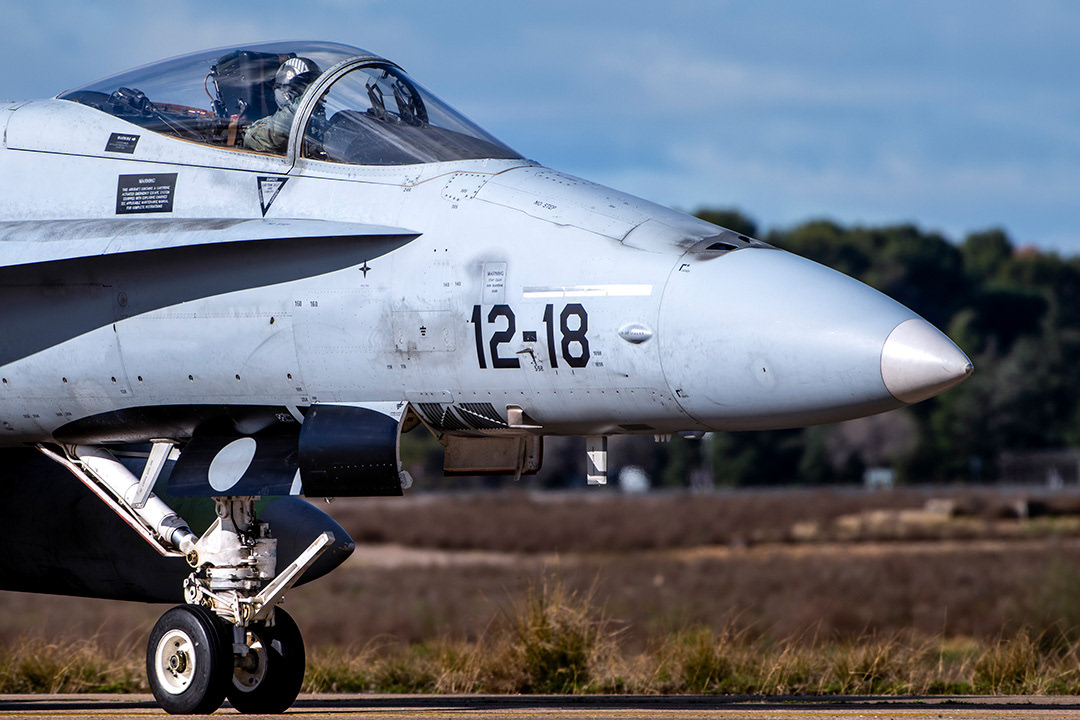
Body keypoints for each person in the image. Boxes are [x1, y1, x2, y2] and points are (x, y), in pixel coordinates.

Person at [243, 57, 321, 154]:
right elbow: (281, 129)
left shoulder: (319, 126)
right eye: (301, 88)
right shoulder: (261, 129)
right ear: (283, 91)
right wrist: (314, 91)